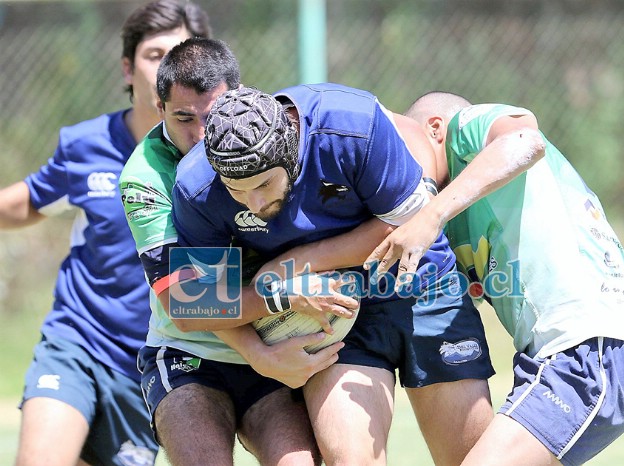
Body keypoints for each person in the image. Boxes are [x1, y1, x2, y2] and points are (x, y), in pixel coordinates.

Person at [170, 84, 496, 466]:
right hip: (334, 316)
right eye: (237, 191)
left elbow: (408, 224)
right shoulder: (197, 186)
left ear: (291, 153)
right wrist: (255, 352)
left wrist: (296, 263)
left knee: (472, 458)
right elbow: (197, 301)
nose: (254, 204)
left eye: (263, 185)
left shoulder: (351, 125)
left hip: (421, 281)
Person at [365, 91, 624, 465]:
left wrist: (431, 215)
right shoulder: (450, 218)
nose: (399, 168)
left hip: (589, 348)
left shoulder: (464, 129)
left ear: (433, 130)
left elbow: (524, 140)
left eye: (403, 150)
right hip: (560, 357)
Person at [0, 1, 211, 465]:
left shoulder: (217, 166)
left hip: (152, 361)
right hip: (76, 339)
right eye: (155, 55)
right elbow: (24, 203)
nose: (164, 70)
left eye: (177, 56)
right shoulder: (86, 145)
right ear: (128, 68)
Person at [120, 37, 326, 465]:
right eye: (182, 118)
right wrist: (280, 300)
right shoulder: (143, 178)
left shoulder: (273, 142)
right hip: (188, 353)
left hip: (276, 339)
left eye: (210, 117)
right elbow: (186, 302)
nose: (199, 136)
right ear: (158, 111)